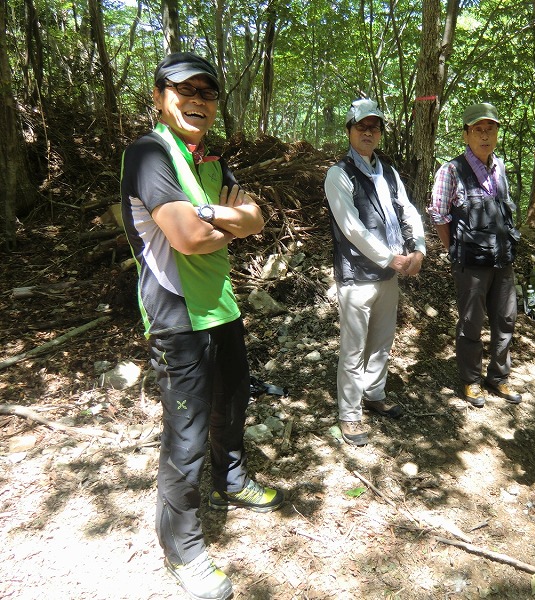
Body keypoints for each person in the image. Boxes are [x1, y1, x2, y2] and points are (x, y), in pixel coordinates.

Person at [120, 52, 283, 600]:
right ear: (159, 97)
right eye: (183, 89)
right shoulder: (148, 153)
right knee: (185, 436)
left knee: (232, 403)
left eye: (207, 92)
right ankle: (182, 548)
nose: (197, 100)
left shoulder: (210, 160)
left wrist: (210, 215)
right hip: (175, 314)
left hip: (222, 306)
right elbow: (187, 238)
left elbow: (257, 218)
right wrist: (223, 220)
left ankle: (230, 481)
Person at [324, 98, 426, 447]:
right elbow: (351, 227)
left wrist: (419, 248)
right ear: (349, 130)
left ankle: (374, 393)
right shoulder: (339, 174)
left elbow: (407, 210)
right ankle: (350, 413)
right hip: (356, 277)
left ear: (381, 132)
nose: (368, 132)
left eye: (374, 127)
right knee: (354, 348)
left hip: (388, 274)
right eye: (361, 126)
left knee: (382, 341)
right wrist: (391, 258)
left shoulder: (388, 173)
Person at [427, 102, 522, 407]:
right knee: (471, 322)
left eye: (490, 129)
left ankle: (498, 377)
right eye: (478, 129)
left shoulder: (500, 167)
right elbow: (439, 215)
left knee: (505, 319)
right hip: (470, 263)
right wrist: (454, 250)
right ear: (466, 134)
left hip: (502, 259)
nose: (485, 135)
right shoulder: (451, 171)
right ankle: (471, 380)